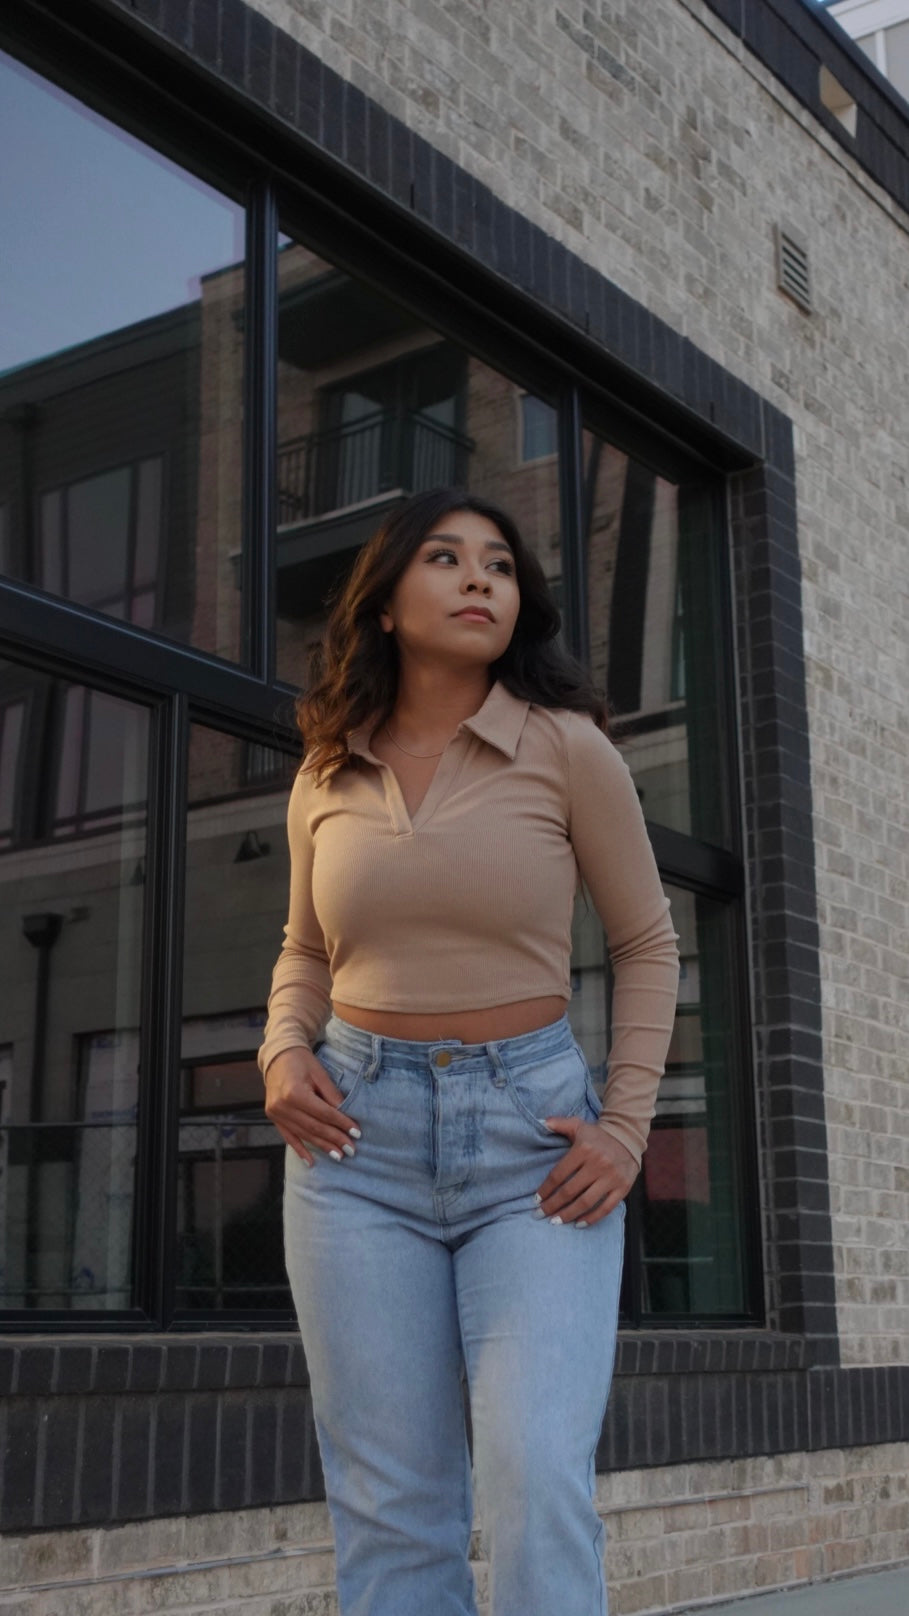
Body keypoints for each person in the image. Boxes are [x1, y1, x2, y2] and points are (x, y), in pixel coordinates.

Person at [259, 486, 680, 1616]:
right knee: (394, 1506)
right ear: (386, 605)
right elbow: (305, 949)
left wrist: (628, 1127)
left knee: (535, 1472)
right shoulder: (325, 771)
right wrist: (280, 1054)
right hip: (354, 1150)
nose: (481, 577)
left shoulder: (568, 749)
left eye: (499, 562)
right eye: (446, 558)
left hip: (531, 1149)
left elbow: (646, 942)